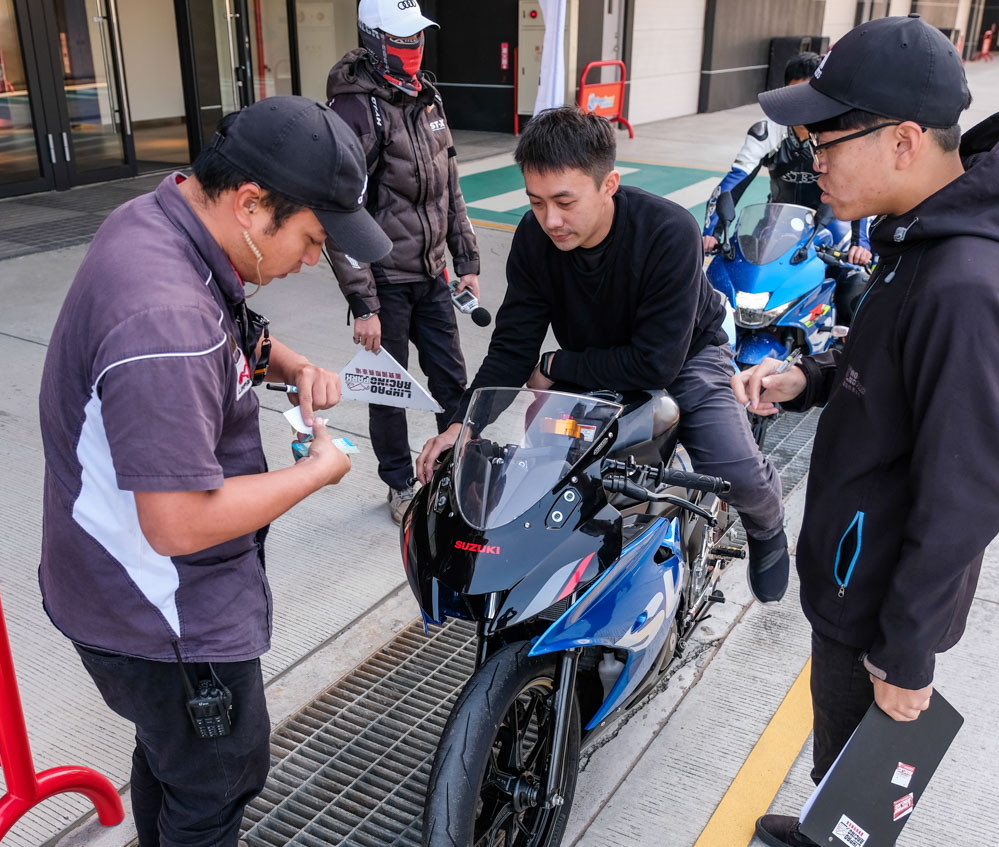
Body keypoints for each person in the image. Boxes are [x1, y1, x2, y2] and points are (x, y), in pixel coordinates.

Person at [719, 13, 999, 847]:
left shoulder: (965, 281)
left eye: (827, 138)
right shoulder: (918, 236)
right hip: (854, 567)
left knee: (874, 755)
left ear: (903, 141)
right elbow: (879, 353)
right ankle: (832, 818)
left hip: (888, 596)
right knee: (837, 731)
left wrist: (909, 654)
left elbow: (965, 494)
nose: (811, 157)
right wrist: (810, 378)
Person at [38, 96, 391, 847]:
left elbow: (232, 328)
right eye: (313, 238)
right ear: (249, 203)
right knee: (220, 768)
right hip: (161, 603)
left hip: (112, 591)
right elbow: (180, 522)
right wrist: (320, 470)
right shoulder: (162, 315)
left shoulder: (162, 226)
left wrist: (293, 363)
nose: (317, 260)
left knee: (169, 748)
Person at [416, 107, 791, 604]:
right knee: (545, 480)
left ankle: (769, 528)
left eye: (565, 202)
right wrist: (463, 427)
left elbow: (656, 365)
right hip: (594, 367)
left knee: (735, 471)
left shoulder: (669, 231)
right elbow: (512, 346)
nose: (550, 220)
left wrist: (555, 366)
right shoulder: (534, 238)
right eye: (536, 202)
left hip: (684, 357)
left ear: (609, 183)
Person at [326, 0, 481, 526]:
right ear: (373, 39)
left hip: (433, 275)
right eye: (401, 38)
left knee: (452, 382)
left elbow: (449, 189)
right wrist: (363, 304)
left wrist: (467, 258)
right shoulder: (354, 111)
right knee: (389, 392)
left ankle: (458, 468)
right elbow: (342, 212)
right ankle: (398, 482)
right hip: (386, 282)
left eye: (417, 37)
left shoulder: (429, 98)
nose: (412, 48)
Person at [701, 51, 872, 323]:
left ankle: (843, 340)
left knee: (856, 277)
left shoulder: (837, 132)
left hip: (832, 219)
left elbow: (858, 187)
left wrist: (859, 243)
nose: (802, 103)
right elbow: (734, 181)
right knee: (738, 266)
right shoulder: (768, 131)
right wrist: (711, 231)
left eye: (809, 93)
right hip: (778, 219)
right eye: (795, 93)